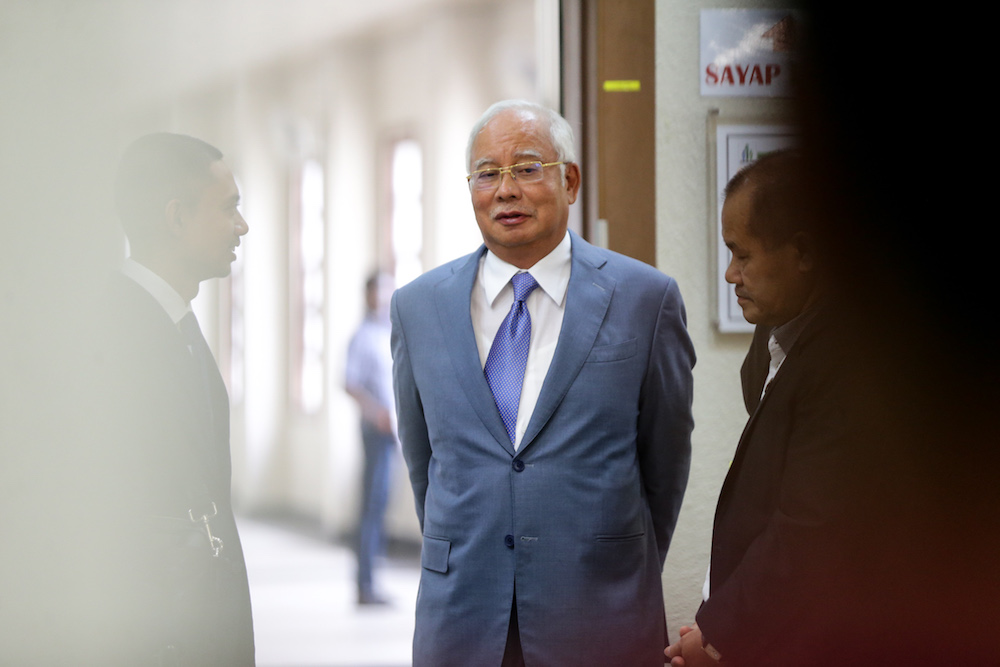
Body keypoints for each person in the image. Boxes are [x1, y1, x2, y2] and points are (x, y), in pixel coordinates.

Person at [390, 99, 695, 666]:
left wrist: (616, 565)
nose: (505, 190)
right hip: (461, 619)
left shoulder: (644, 301)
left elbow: (665, 466)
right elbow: (424, 462)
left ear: (570, 180)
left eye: (527, 167)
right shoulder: (418, 307)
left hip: (599, 615)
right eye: (487, 174)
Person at [666, 150, 860, 666]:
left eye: (743, 255)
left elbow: (806, 533)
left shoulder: (846, 361)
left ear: (805, 253)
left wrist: (716, 637)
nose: (730, 274)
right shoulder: (783, 332)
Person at [88, 132, 254, 665]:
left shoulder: (176, 324)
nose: (242, 226)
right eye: (229, 208)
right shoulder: (112, 336)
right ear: (176, 217)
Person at [344, 271, 397, 606]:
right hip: (375, 430)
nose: (384, 297)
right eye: (379, 291)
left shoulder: (389, 332)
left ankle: (371, 580)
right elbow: (349, 383)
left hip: (394, 430)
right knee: (372, 505)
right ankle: (365, 584)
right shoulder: (362, 336)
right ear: (367, 295)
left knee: (381, 505)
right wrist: (376, 412)